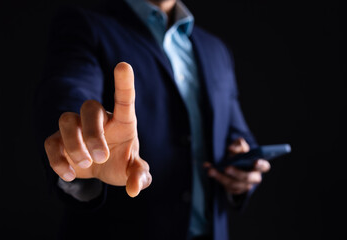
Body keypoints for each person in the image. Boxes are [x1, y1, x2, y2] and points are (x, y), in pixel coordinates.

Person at [34, 0, 271, 239]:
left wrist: (242, 171)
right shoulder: (87, 25)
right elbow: (70, 91)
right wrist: (79, 144)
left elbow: (238, 135)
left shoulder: (215, 49)